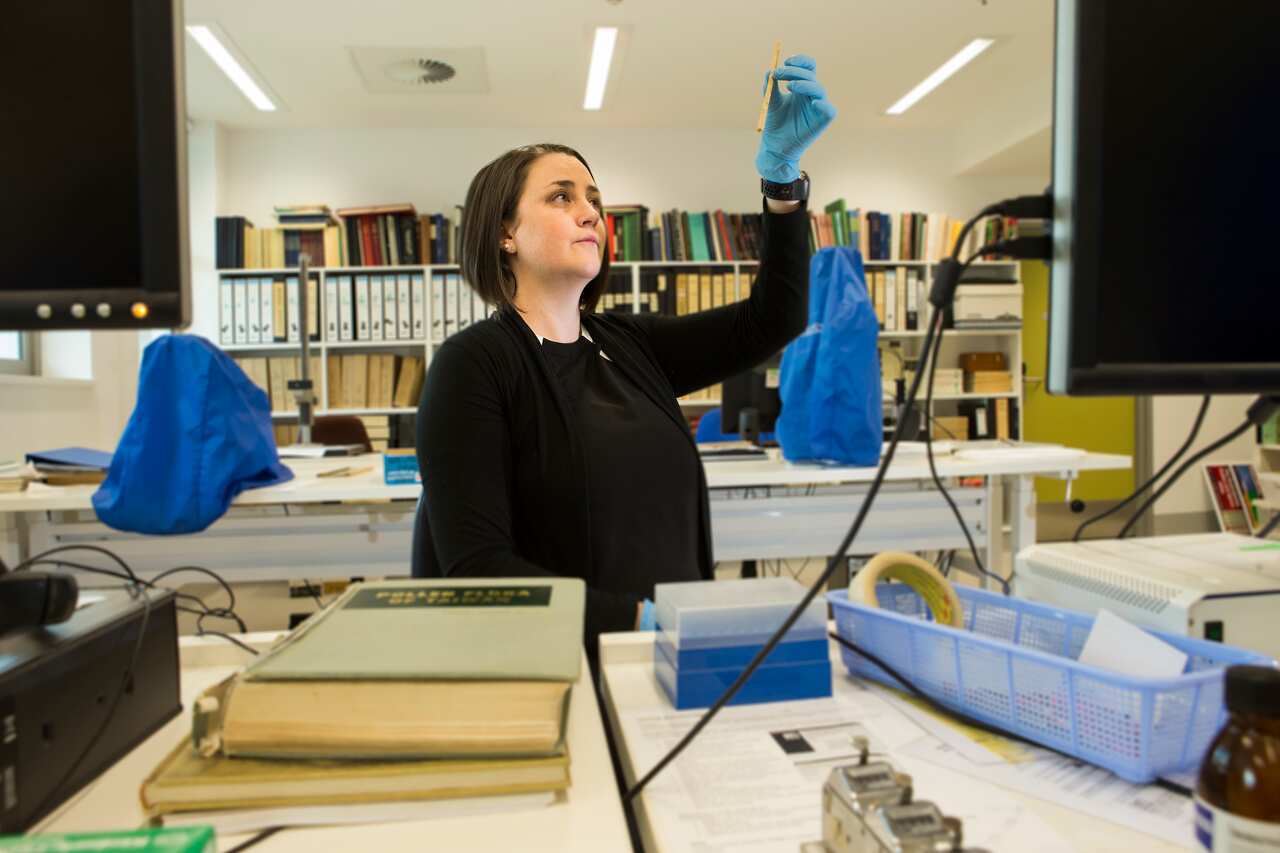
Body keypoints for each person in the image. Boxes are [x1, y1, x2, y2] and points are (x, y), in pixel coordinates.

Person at [416, 55, 836, 649]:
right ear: (504, 233)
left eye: (592, 197)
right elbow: (478, 571)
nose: (590, 211)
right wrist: (634, 623)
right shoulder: (475, 365)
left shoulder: (627, 345)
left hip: (672, 655)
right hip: (572, 663)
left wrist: (783, 184)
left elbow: (773, 319)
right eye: (560, 197)